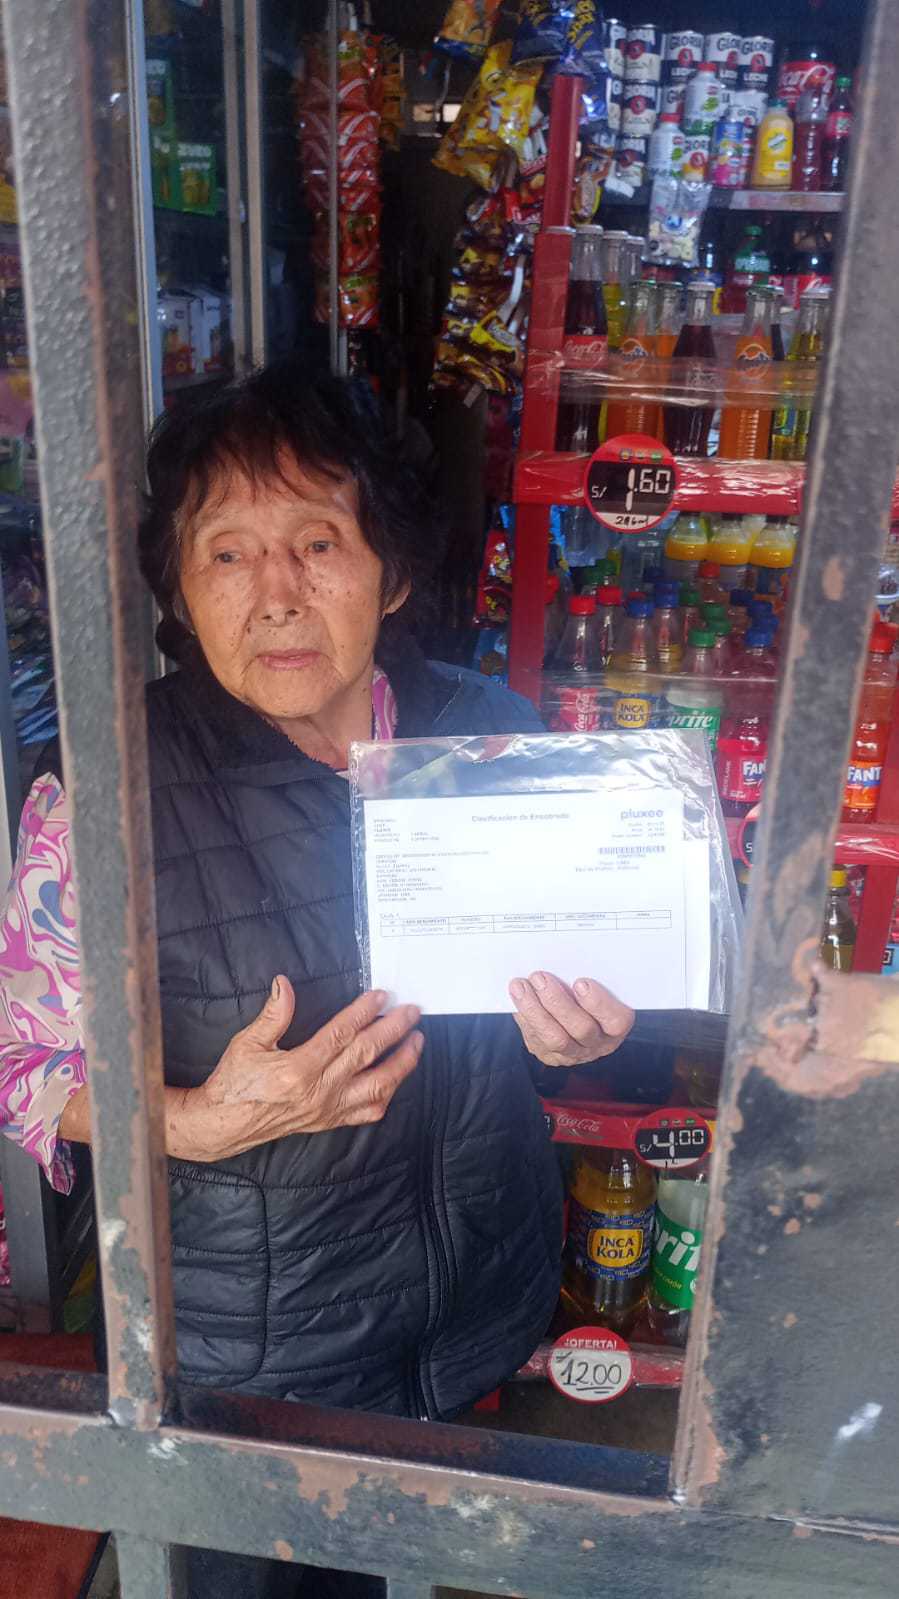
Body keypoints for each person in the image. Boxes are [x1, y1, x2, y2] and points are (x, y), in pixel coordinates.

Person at [0, 369, 634, 1596]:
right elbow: (19, 1057)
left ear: (388, 574)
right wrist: (188, 1122)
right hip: (240, 1368)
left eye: (318, 542)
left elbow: (575, 981)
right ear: (181, 592)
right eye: (226, 553)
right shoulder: (109, 791)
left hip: (466, 1311)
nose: (277, 593)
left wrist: (581, 1032)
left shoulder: (483, 738)